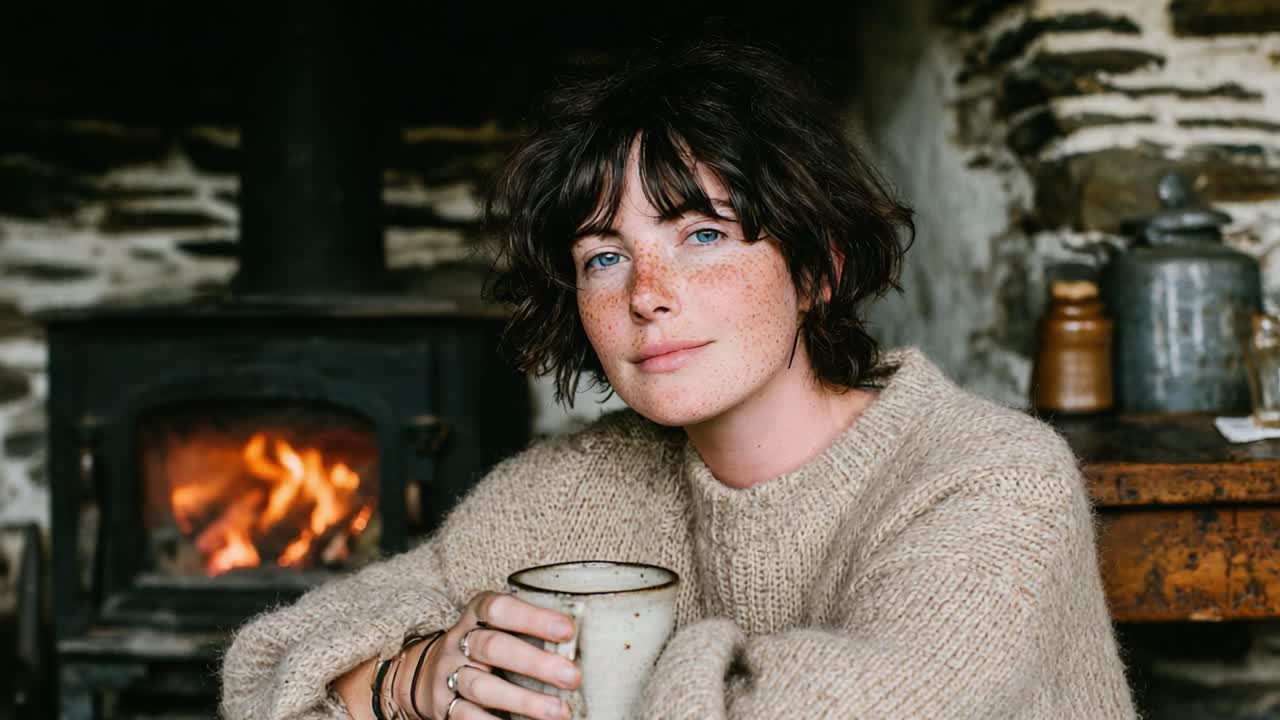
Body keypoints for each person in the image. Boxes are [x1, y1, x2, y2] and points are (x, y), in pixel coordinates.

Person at [220, 35, 1137, 720]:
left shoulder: (991, 479)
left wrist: (601, 680)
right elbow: (267, 663)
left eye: (701, 235)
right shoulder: (574, 491)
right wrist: (410, 677)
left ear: (816, 268)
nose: (647, 295)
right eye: (603, 257)